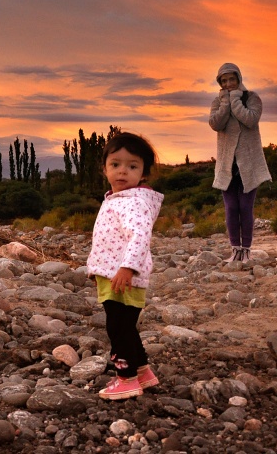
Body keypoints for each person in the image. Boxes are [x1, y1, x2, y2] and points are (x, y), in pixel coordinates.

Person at [87, 131, 164, 400]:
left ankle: (126, 378)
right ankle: (142, 372)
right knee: (126, 326)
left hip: (122, 275)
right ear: (105, 168)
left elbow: (140, 236)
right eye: (116, 164)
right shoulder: (118, 198)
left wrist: (127, 268)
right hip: (114, 273)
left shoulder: (133, 202)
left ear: (143, 172)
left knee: (118, 328)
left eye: (132, 166)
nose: (123, 171)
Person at [208, 63, 272, 263]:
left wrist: (235, 99)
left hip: (249, 164)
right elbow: (215, 124)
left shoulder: (252, 98)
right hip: (227, 165)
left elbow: (250, 119)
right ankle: (234, 250)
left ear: (238, 78)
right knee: (231, 208)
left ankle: (246, 250)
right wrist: (226, 103)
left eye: (231, 79)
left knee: (245, 207)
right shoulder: (217, 102)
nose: (228, 84)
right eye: (224, 80)